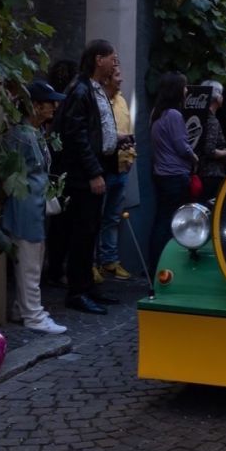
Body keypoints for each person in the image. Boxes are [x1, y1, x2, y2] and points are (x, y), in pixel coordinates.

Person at [56, 40, 120, 315]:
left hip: (96, 168)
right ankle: (77, 291)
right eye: (111, 58)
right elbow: (77, 134)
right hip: (83, 176)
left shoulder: (94, 89)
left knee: (91, 230)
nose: (115, 63)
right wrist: (93, 172)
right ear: (98, 59)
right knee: (82, 232)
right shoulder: (81, 89)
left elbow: (96, 128)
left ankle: (87, 287)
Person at [2, 80, 67, 335]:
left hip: (33, 205)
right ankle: (34, 315)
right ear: (36, 106)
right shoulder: (23, 136)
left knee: (33, 259)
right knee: (29, 262)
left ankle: (22, 308)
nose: (55, 106)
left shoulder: (32, 133)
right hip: (25, 207)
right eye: (50, 102)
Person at [148, 73, 199, 272]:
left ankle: (155, 264)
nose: (187, 91)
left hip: (161, 173)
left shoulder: (156, 113)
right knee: (173, 222)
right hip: (176, 175)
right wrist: (194, 157)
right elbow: (181, 146)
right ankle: (166, 265)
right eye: (184, 87)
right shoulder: (174, 115)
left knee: (161, 220)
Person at [94, 51, 137, 283]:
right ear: (107, 77)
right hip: (104, 169)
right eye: (117, 74)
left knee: (112, 217)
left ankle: (109, 260)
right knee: (95, 218)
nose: (120, 78)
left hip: (122, 168)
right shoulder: (99, 102)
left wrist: (131, 156)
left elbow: (129, 130)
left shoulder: (121, 101)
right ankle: (92, 264)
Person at [43, 58, 76, 287]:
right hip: (60, 169)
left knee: (57, 226)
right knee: (61, 225)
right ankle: (56, 268)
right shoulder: (66, 103)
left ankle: (54, 266)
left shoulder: (57, 104)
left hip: (55, 167)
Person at [196, 81, 226, 205]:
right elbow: (209, 150)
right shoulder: (212, 120)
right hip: (212, 173)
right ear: (218, 97)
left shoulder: (201, 117)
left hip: (202, 171)